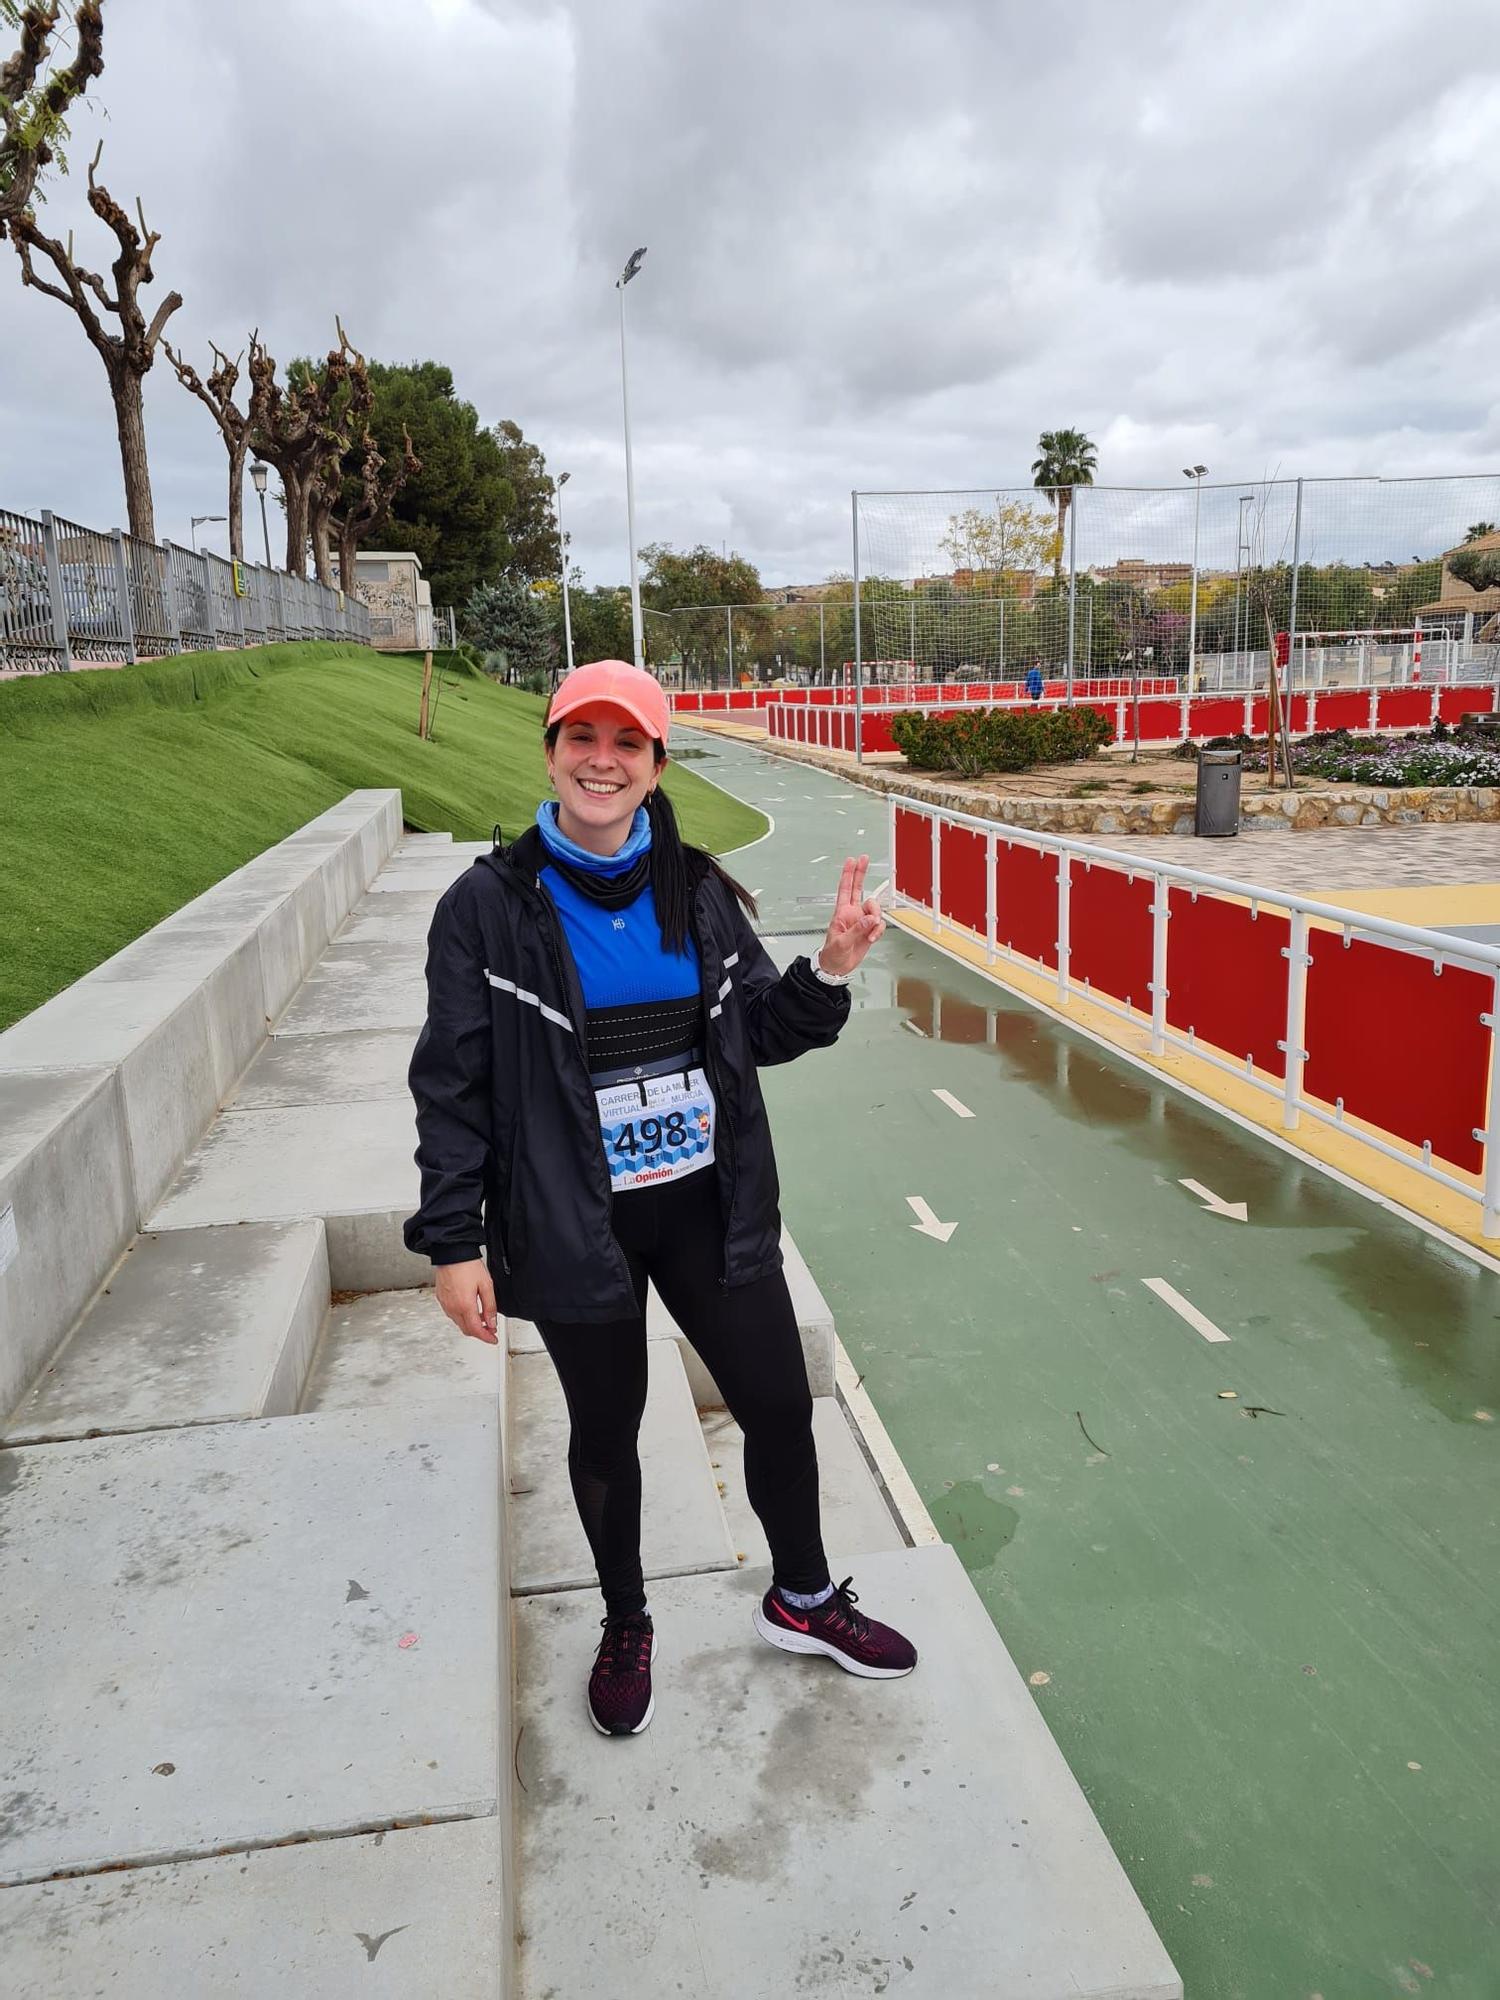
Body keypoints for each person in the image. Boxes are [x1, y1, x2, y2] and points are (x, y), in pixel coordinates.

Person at [403, 659, 917, 1738]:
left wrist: (824, 969)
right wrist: (454, 1240)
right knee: (607, 1425)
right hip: (569, 1213)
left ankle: (805, 1595)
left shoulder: (694, 884)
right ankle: (627, 1617)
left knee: (777, 1400)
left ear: (654, 763)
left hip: (704, 1204)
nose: (602, 759)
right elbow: (451, 1080)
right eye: (581, 737)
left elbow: (760, 1033)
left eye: (625, 742)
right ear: (550, 751)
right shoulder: (487, 908)